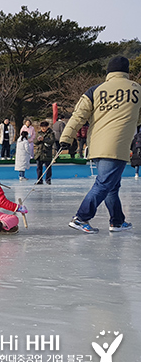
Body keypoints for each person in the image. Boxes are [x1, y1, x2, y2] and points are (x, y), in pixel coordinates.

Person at [60, 56, 141, 233]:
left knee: (112, 186)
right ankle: (81, 218)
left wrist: (66, 138)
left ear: (108, 72)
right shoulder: (137, 90)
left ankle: (117, 221)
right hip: (117, 145)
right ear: (127, 72)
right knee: (104, 184)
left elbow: (78, 116)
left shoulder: (95, 90)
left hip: (96, 146)